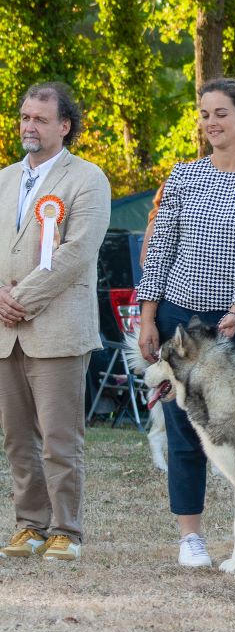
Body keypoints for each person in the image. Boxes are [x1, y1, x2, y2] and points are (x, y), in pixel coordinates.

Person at [135, 77, 235, 569]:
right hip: (179, 317)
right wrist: (147, 317)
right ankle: (191, 535)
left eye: (220, 114)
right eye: (204, 115)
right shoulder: (183, 177)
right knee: (186, 429)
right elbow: (159, 251)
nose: (211, 124)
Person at [0, 82, 111, 562]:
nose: (29, 125)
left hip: (58, 328)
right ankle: (30, 525)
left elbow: (76, 252)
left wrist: (19, 299)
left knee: (60, 439)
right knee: (16, 439)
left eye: (40, 119)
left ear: (64, 126)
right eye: (25, 116)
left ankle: (66, 530)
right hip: (5, 331)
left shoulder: (87, 179)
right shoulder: (4, 178)